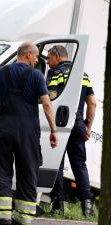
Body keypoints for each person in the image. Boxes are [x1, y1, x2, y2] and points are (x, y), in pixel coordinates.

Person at [0, 41, 58, 225]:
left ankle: (2, 215)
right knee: (28, 171)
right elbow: (46, 103)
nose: (37, 60)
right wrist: (53, 130)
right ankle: (23, 217)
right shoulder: (36, 76)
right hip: (27, 130)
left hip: (1, 128)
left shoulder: (2, 71)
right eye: (36, 56)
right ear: (28, 54)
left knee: (1, 170)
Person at [46, 45, 96, 216]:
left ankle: (59, 204)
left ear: (58, 56)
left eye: (49, 58)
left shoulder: (55, 73)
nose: (48, 62)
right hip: (78, 122)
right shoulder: (83, 74)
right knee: (80, 165)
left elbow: (51, 99)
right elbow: (92, 102)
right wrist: (87, 126)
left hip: (60, 123)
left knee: (57, 164)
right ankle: (87, 207)